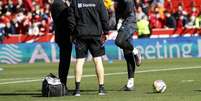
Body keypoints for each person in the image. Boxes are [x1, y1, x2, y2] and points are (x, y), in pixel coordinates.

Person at [68, 0, 109, 96]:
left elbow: (71, 19)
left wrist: (72, 33)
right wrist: (106, 32)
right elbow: (104, 17)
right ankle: (101, 89)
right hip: (95, 34)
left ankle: (77, 90)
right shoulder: (98, 1)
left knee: (79, 61)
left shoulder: (75, 2)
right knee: (98, 60)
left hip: (81, 34)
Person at [114, 0, 141, 91]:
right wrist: (118, 22)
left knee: (118, 41)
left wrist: (120, 20)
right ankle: (130, 84)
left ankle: (136, 51)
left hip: (129, 22)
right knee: (127, 54)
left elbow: (129, 9)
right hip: (125, 23)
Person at [48, 0, 72, 94]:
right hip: (64, 36)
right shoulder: (58, 4)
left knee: (65, 61)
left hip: (62, 35)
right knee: (64, 62)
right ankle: (63, 85)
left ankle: (63, 84)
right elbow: (64, 20)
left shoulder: (59, 3)